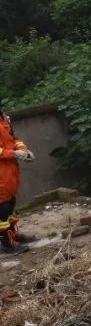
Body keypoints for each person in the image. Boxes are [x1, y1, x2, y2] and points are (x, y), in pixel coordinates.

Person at [0, 99, 33, 254]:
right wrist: (13, 153)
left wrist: (24, 151)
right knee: (2, 208)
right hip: (2, 169)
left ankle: (14, 235)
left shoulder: (3, 118)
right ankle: (6, 244)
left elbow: (14, 138)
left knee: (10, 202)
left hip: (9, 169)